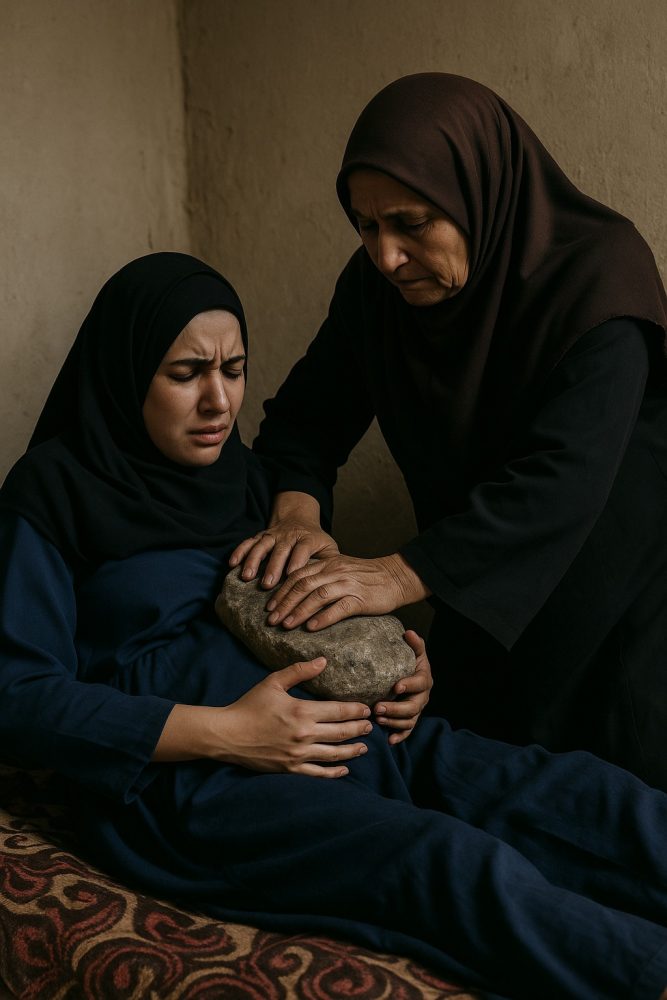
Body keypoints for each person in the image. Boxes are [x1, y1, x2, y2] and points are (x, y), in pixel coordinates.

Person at [1, 252, 667, 1000]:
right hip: (198, 779)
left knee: (579, 795)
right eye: (186, 373)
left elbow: (319, 617)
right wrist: (230, 733)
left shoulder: (251, 482)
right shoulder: (52, 493)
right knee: (450, 860)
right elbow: (18, 697)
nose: (219, 401)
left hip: (360, 738)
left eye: (234, 369)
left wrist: (404, 670)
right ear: (127, 374)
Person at [234, 73, 667, 791]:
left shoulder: (600, 279)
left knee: (618, 805)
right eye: (366, 226)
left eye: (412, 223)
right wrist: (296, 517)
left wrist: (394, 575)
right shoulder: (377, 288)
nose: (386, 256)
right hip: (476, 591)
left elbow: (560, 480)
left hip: (616, 600)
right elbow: (307, 418)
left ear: (479, 192)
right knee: (475, 783)